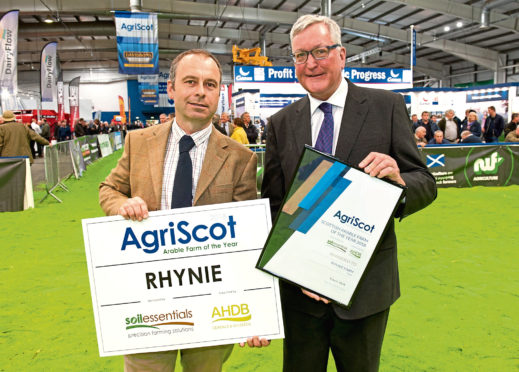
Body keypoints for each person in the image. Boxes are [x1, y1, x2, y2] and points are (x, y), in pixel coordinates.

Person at [262, 15, 436, 372]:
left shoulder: (385, 106)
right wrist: (293, 272)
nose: (310, 63)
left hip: (365, 290)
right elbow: (275, 204)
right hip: (300, 293)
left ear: (342, 54)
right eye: (300, 55)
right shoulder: (280, 123)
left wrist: (400, 185)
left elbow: (424, 180)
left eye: (320, 51)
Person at [99, 49, 268, 372]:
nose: (200, 91)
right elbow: (109, 189)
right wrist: (123, 204)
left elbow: (247, 240)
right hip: (147, 299)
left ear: (219, 93)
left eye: (210, 84)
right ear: (172, 89)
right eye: (190, 81)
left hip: (211, 303)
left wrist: (255, 312)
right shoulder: (138, 142)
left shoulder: (240, 158)